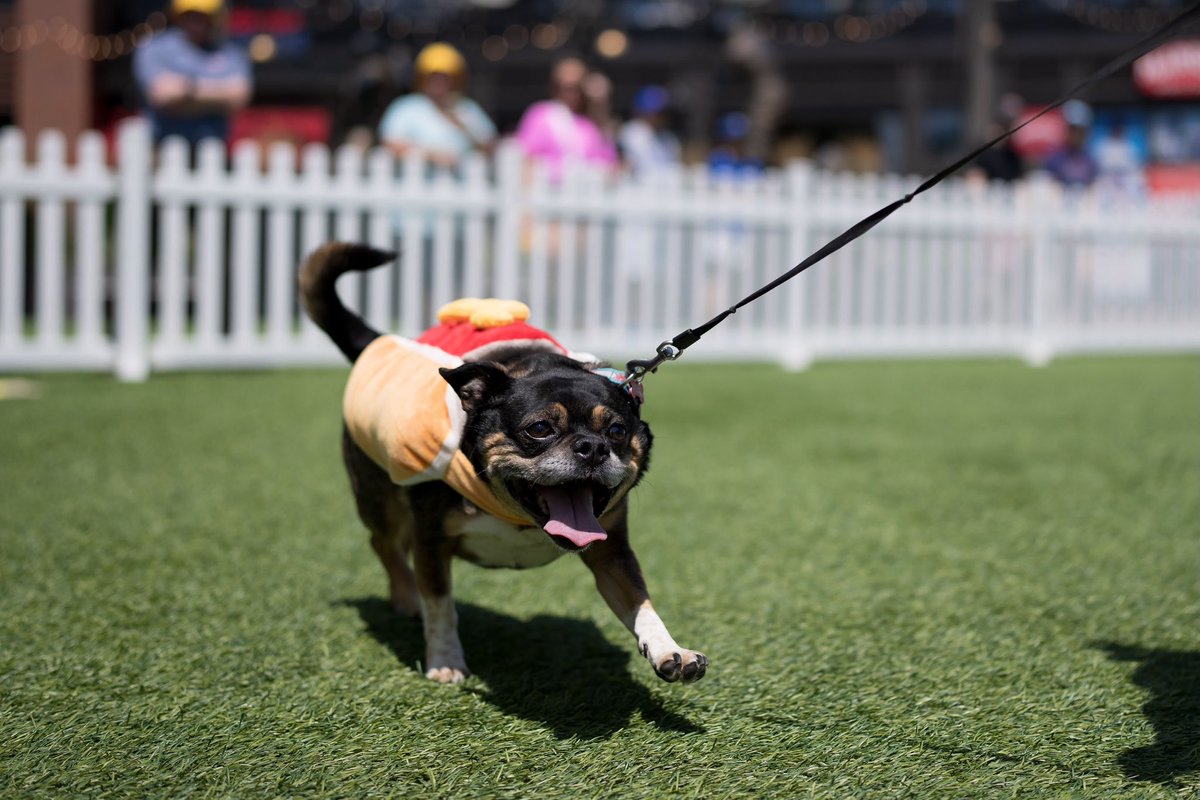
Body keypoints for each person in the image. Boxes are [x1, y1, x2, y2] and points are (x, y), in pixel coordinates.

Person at [132, 0, 252, 146]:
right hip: (163, 145)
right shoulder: (155, 47)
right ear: (178, 16)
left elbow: (238, 95)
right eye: (190, 15)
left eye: (203, 15)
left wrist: (187, 91)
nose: (196, 21)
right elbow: (162, 94)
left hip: (213, 148)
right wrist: (217, 95)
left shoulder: (230, 52)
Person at [378, 43, 496, 171]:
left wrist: (464, 127)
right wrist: (432, 156)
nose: (439, 82)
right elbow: (391, 143)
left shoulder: (467, 108)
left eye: (445, 77)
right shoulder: (407, 107)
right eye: (433, 77)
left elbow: (490, 145)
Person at [515, 58, 618, 180]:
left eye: (576, 87)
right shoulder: (540, 115)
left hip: (589, 192)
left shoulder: (591, 122)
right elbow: (525, 158)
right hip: (549, 191)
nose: (570, 94)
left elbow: (610, 164)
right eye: (564, 87)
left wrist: (599, 103)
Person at [618, 85, 682, 177]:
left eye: (662, 112)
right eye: (654, 112)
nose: (658, 117)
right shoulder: (631, 133)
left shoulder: (670, 139)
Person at [1043, 100, 1099, 189]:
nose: (1076, 134)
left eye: (1080, 130)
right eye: (1072, 129)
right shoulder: (1053, 158)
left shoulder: (1091, 158)